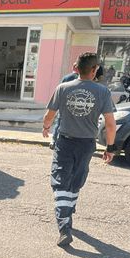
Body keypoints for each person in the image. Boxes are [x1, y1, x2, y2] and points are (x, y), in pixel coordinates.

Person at [42, 52, 117, 247]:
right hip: (87, 144)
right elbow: (110, 124)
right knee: (76, 179)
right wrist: (110, 147)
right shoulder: (103, 92)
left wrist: (45, 127)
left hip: (65, 142)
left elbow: (49, 115)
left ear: (77, 69)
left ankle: (64, 226)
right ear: (94, 70)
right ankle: (68, 212)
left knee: (60, 182)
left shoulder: (63, 88)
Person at [49, 62, 79, 150]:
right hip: (74, 106)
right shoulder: (79, 79)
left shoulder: (66, 78)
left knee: (58, 124)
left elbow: (60, 91)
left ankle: (54, 141)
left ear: (73, 68)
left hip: (64, 105)